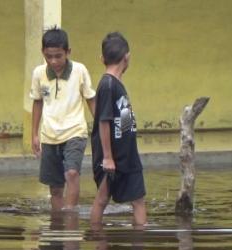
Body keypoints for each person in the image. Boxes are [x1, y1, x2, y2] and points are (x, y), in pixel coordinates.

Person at [29, 27, 96, 211]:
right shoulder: (38, 73)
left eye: (58, 56)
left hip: (75, 132)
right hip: (49, 135)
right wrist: (34, 134)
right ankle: (58, 224)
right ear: (43, 53)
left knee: (72, 173)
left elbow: (90, 99)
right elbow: (37, 103)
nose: (53, 61)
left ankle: (70, 218)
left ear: (68, 52)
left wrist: (99, 129)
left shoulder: (80, 70)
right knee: (55, 187)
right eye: (48, 56)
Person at [90, 32, 147, 226]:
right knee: (102, 200)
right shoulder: (107, 85)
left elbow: (121, 120)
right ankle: (98, 244)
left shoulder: (116, 85)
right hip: (112, 157)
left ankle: (137, 248)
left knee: (138, 200)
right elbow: (104, 121)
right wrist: (107, 157)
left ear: (102, 59)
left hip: (127, 154)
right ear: (127, 57)